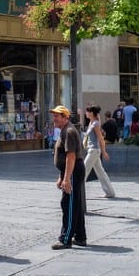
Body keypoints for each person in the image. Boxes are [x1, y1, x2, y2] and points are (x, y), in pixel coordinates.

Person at [50, 105, 86, 249]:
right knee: (74, 204)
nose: (54, 118)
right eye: (54, 115)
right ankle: (80, 236)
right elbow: (65, 158)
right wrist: (61, 176)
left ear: (65, 118)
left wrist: (66, 178)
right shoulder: (65, 130)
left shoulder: (69, 131)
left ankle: (65, 239)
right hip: (71, 170)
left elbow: (70, 156)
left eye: (57, 116)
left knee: (68, 204)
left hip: (73, 170)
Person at [83, 106, 115, 198]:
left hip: (94, 150)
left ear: (91, 113)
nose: (86, 113)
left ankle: (78, 191)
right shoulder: (92, 122)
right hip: (92, 149)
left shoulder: (95, 124)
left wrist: (104, 152)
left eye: (87, 112)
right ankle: (110, 192)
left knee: (84, 170)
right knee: (100, 172)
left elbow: (101, 138)